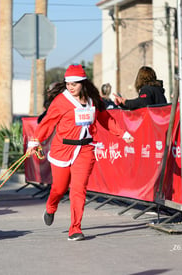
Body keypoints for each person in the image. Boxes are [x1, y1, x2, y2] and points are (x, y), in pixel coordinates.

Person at [26, 64, 134, 241]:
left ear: (83, 83)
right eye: (68, 84)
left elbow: (105, 118)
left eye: (74, 84)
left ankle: (75, 228)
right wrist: (35, 141)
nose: (71, 87)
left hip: (85, 150)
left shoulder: (93, 99)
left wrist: (123, 134)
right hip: (63, 149)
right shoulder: (61, 101)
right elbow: (47, 122)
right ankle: (51, 207)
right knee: (59, 189)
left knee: (79, 189)